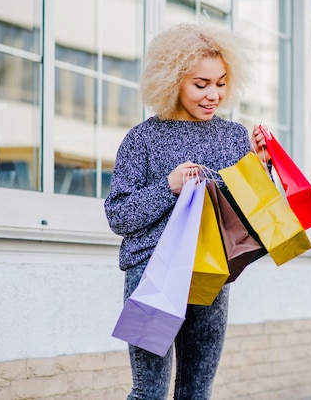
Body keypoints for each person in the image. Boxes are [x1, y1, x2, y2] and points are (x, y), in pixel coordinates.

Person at [104, 22, 269, 400]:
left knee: (197, 392)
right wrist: (168, 187)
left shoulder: (233, 137)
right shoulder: (142, 139)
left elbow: (248, 217)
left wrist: (258, 169)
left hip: (210, 275)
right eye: (201, 84)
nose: (214, 95)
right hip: (151, 276)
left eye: (221, 83)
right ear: (172, 80)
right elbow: (120, 217)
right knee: (149, 392)